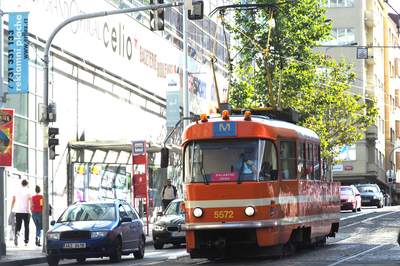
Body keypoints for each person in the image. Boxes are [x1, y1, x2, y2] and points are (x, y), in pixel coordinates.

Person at [11, 179, 32, 246]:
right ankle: (26, 241)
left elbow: (13, 201)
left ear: (21, 183)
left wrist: (11, 210)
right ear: (27, 184)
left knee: (18, 225)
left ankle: (17, 233)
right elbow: (31, 203)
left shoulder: (16, 191)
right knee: (27, 226)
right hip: (26, 211)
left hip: (18, 210)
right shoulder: (29, 192)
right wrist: (31, 210)